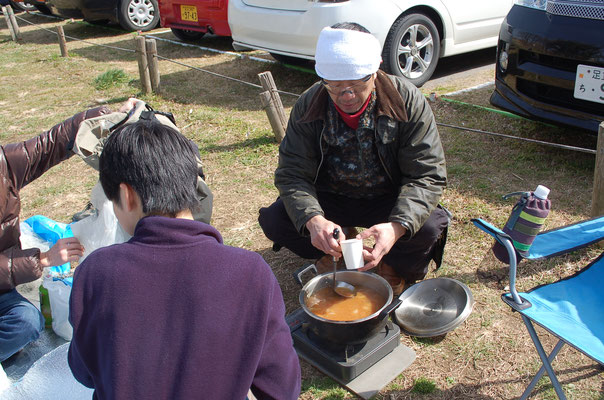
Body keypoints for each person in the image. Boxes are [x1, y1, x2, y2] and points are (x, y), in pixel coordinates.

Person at [67, 117, 301, 399]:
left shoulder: (96, 272)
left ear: (126, 195)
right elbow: (282, 388)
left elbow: (84, 372)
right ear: (191, 184)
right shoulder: (252, 272)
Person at [258, 23, 449, 295]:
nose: (346, 96)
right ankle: (332, 253)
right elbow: (292, 174)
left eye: (357, 83)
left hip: (387, 198)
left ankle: (391, 266)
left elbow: (427, 175)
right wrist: (314, 220)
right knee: (276, 219)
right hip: (332, 198)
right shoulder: (309, 103)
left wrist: (396, 227)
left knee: (428, 225)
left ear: (376, 70)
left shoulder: (407, 100)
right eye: (334, 86)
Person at [0, 105, 110, 365]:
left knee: (26, 322)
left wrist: (111, 116)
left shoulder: (4, 165)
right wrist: (43, 259)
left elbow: (50, 145)